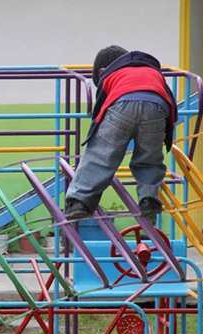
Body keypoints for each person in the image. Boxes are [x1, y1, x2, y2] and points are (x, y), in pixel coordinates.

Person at [64, 45, 178, 220]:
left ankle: (80, 202)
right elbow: (170, 101)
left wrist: (94, 136)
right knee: (150, 158)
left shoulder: (110, 74)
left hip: (121, 104)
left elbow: (100, 111)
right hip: (157, 107)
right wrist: (167, 135)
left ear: (102, 71)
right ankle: (149, 200)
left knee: (100, 156)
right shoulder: (153, 72)